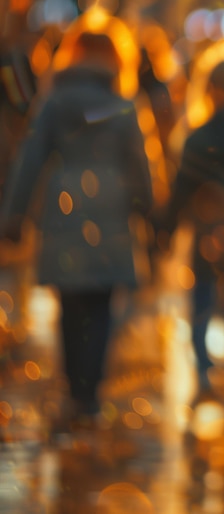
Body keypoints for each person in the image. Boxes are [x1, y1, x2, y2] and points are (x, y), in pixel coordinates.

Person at [0, 31, 153, 428]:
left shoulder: (53, 102)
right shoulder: (123, 104)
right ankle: (90, 394)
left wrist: (13, 216)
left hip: (64, 207)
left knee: (69, 305)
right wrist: (149, 216)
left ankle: (73, 390)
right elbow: (140, 166)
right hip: (111, 211)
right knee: (101, 303)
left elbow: (29, 159)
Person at [157, 59, 224, 398]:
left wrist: (166, 227)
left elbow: (182, 187)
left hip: (206, 229)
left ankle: (204, 367)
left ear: (209, 90)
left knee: (203, 290)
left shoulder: (198, 136)